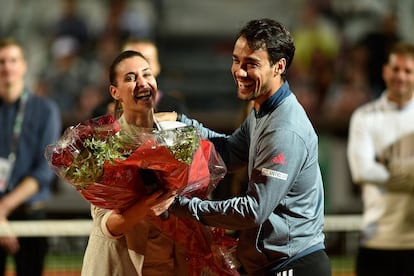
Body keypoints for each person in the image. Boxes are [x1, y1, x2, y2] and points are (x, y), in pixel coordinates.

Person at [157, 18, 331, 276]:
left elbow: (252, 211)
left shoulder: (284, 129)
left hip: (293, 265)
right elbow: (228, 153)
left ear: (279, 67)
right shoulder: (262, 110)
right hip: (275, 264)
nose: (239, 71)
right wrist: (182, 125)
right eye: (236, 60)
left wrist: (179, 206)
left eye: (251, 64)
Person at [81, 50, 187, 276]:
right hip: (120, 266)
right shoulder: (103, 144)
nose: (142, 83)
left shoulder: (177, 139)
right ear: (115, 92)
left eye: (147, 75)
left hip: (167, 264)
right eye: (130, 78)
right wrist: (150, 203)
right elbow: (109, 226)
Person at [347, 42, 414, 276]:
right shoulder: (364, 117)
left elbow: (373, 170)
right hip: (376, 241)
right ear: (385, 71)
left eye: (408, 71)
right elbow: (362, 171)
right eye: (396, 69)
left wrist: (386, 168)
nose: (401, 77)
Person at [0, 38, 61, 276]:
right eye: (1, 61)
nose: (7, 66)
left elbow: (45, 170)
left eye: (13, 60)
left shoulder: (45, 109)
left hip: (30, 215)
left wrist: (2, 208)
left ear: (24, 66)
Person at [122, 38, 189, 114]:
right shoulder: (108, 109)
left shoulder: (173, 107)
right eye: (132, 61)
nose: (139, 67)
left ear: (157, 66)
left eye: (147, 60)